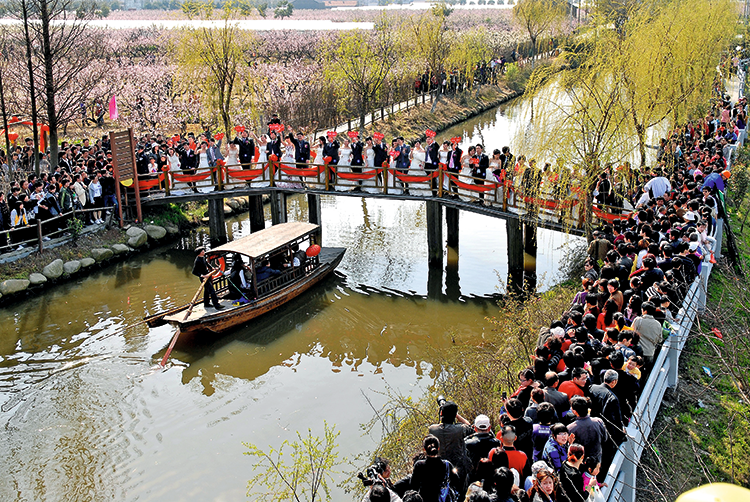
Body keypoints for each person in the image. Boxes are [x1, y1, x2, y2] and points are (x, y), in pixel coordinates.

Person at [427, 400, 472, 491]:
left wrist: (442, 414)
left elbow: (440, 426)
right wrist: (456, 415)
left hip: (439, 467)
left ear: (442, 413)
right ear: (454, 415)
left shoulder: (433, 429)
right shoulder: (459, 429)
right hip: (458, 467)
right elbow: (469, 426)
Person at [409, 435, 459, 502]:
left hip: (425, 499)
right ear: (438, 448)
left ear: (424, 449)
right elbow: (456, 481)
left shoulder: (419, 465)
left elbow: (413, 485)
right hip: (443, 499)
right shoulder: (447, 464)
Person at [465, 414, 502, 482]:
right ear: (489, 428)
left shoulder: (468, 443)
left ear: (475, 428)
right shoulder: (497, 443)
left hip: (473, 480)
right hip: (492, 479)